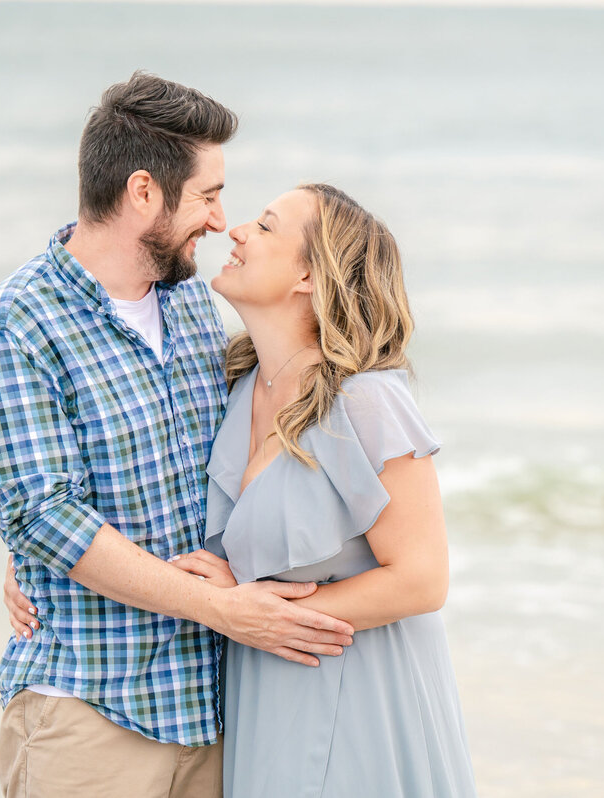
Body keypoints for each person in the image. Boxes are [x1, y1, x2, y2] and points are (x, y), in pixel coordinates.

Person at [0, 72, 353, 798]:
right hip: (90, 713)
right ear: (143, 192)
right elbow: (44, 513)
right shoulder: (17, 320)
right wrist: (37, 550)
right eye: (208, 195)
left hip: (214, 710)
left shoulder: (194, 305)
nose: (219, 219)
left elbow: (253, 462)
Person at [168, 183, 477, 795]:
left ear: (308, 274)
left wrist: (260, 614)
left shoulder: (363, 398)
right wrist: (34, 557)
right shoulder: (231, 387)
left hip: (363, 695)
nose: (236, 232)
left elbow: (422, 578)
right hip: (266, 699)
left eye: (265, 226)